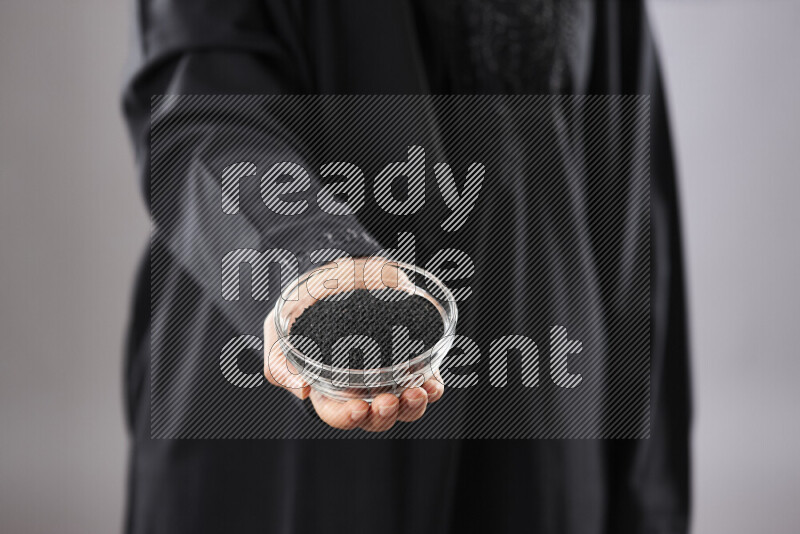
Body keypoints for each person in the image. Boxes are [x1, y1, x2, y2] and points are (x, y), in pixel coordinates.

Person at [122, 1, 691, 532]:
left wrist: (647, 504)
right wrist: (316, 261)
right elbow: (200, 105)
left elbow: (631, 209)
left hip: (538, 427)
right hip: (276, 437)